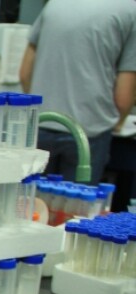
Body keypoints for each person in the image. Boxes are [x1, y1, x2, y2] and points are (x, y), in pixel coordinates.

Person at [19, 0, 136, 186]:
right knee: (75, 202)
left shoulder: (55, 4)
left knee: (31, 199)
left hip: (39, 126)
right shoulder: (130, 10)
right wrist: (119, 122)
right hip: (87, 134)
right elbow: (123, 96)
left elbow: (25, 73)